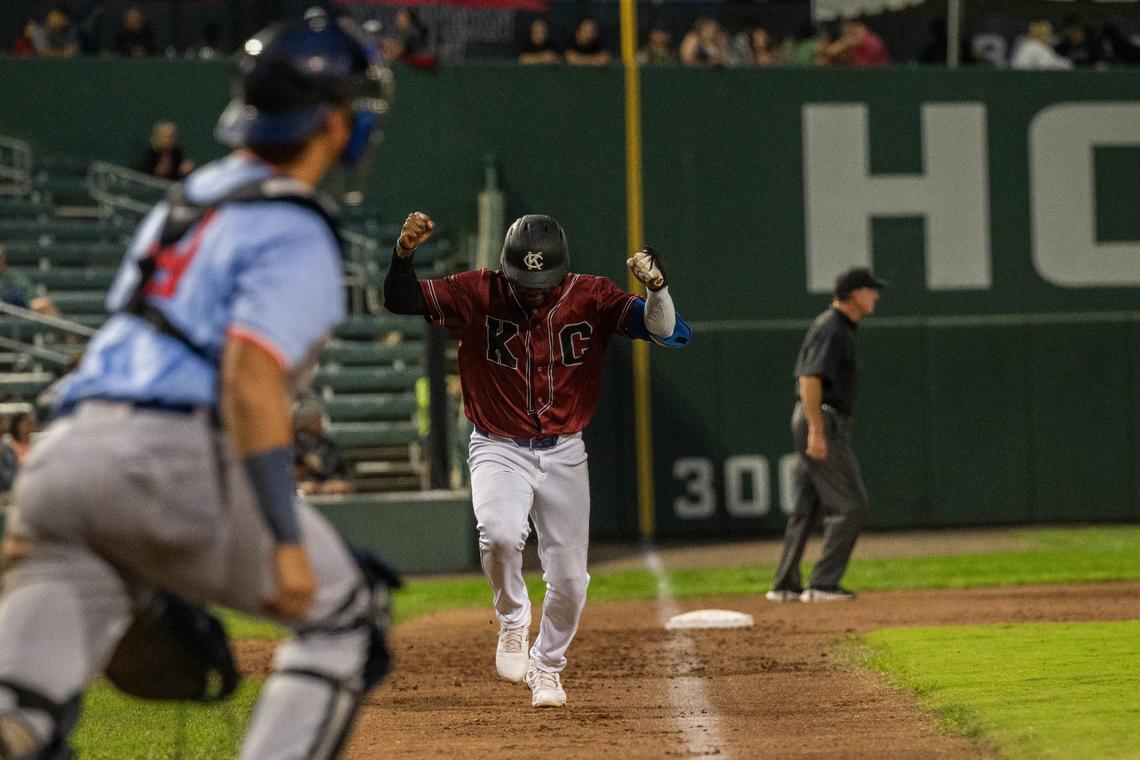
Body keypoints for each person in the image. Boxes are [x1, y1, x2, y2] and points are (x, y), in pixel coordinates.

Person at [0, 15, 396, 760]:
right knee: (348, 617)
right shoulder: (298, 226)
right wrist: (283, 539)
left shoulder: (185, 200)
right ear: (340, 120)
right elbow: (249, 377)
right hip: (171, 456)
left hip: (62, 460)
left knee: (24, 711)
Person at [384, 213, 691, 707]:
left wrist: (657, 288)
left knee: (570, 580)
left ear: (561, 271)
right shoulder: (477, 290)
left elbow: (667, 330)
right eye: (523, 280)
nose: (532, 290)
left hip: (565, 451)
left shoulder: (590, 295)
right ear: (506, 269)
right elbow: (401, 299)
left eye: (542, 281)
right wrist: (403, 252)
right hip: (497, 444)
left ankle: (547, 666)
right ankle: (512, 618)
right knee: (501, 535)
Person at [766, 266, 883, 603]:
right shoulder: (832, 327)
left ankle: (785, 584)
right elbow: (810, 380)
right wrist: (817, 430)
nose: (875, 295)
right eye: (871, 289)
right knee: (850, 504)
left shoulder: (838, 327)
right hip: (822, 419)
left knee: (806, 505)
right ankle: (824, 584)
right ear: (855, 293)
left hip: (819, 418)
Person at [294, 398, 354, 496]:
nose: (321, 422)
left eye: (319, 419)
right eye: (316, 419)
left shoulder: (328, 445)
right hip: (300, 489)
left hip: (326, 487)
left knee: (340, 487)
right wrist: (306, 466)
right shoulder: (293, 444)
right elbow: (283, 474)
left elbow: (341, 477)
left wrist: (321, 487)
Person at [0, 245, 60, 317]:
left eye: (1, 257)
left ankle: (61, 328)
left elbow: (30, 295)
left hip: (17, 308)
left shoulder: (13, 275)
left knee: (44, 304)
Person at [825, 18, 890, 67]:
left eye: (852, 27)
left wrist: (844, 43)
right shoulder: (851, 44)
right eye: (845, 27)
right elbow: (829, 54)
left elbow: (832, 51)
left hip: (878, 76)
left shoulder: (872, 40)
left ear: (862, 27)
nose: (846, 30)